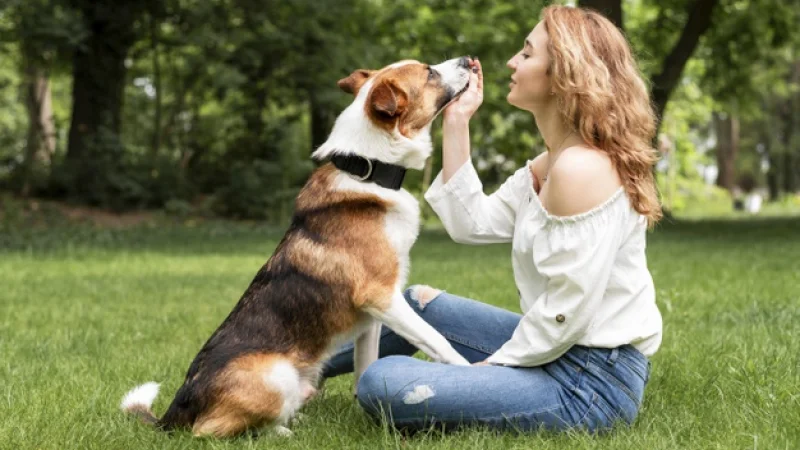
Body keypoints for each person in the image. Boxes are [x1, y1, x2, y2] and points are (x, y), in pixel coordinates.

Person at [322, 5, 663, 434]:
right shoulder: (552, 161)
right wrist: (457, 121)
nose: (510, 63)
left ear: (564, 75)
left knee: (381, 382)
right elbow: (473, 224)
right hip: (562, 352)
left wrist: (492, 367)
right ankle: (299, 368)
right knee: (415, 303)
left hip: (589, 383)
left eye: (526, 53)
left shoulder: (582, 169)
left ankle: (317, 374)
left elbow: (566, 312)